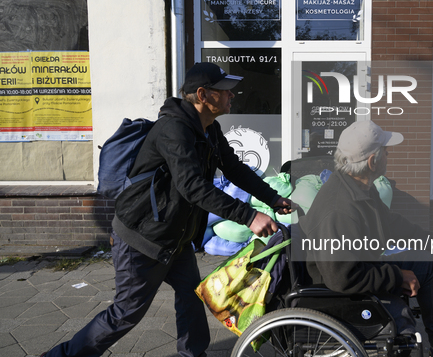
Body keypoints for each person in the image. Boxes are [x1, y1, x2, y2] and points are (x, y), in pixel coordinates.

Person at [43, 62, 292, 357]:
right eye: (224, 90)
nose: (232, 95)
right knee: (126, 313)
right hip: (143, 237)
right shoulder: (173, 129)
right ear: (202, 95)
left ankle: (192, 354)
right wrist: (249, 216)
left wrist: (273, 198)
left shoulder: (209, 129)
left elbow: (235, 169)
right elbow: (193, 186)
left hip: (175, 236)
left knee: (190, 295)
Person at [299, 120, 433, 357]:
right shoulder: (339, 210)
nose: (389, 155)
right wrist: (396, 276)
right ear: (372, 161)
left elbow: (393, 224)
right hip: (339, 290)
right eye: (386, 151)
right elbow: (341, 277)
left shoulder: (359, 187)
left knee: (427, 262)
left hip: (361, 267)